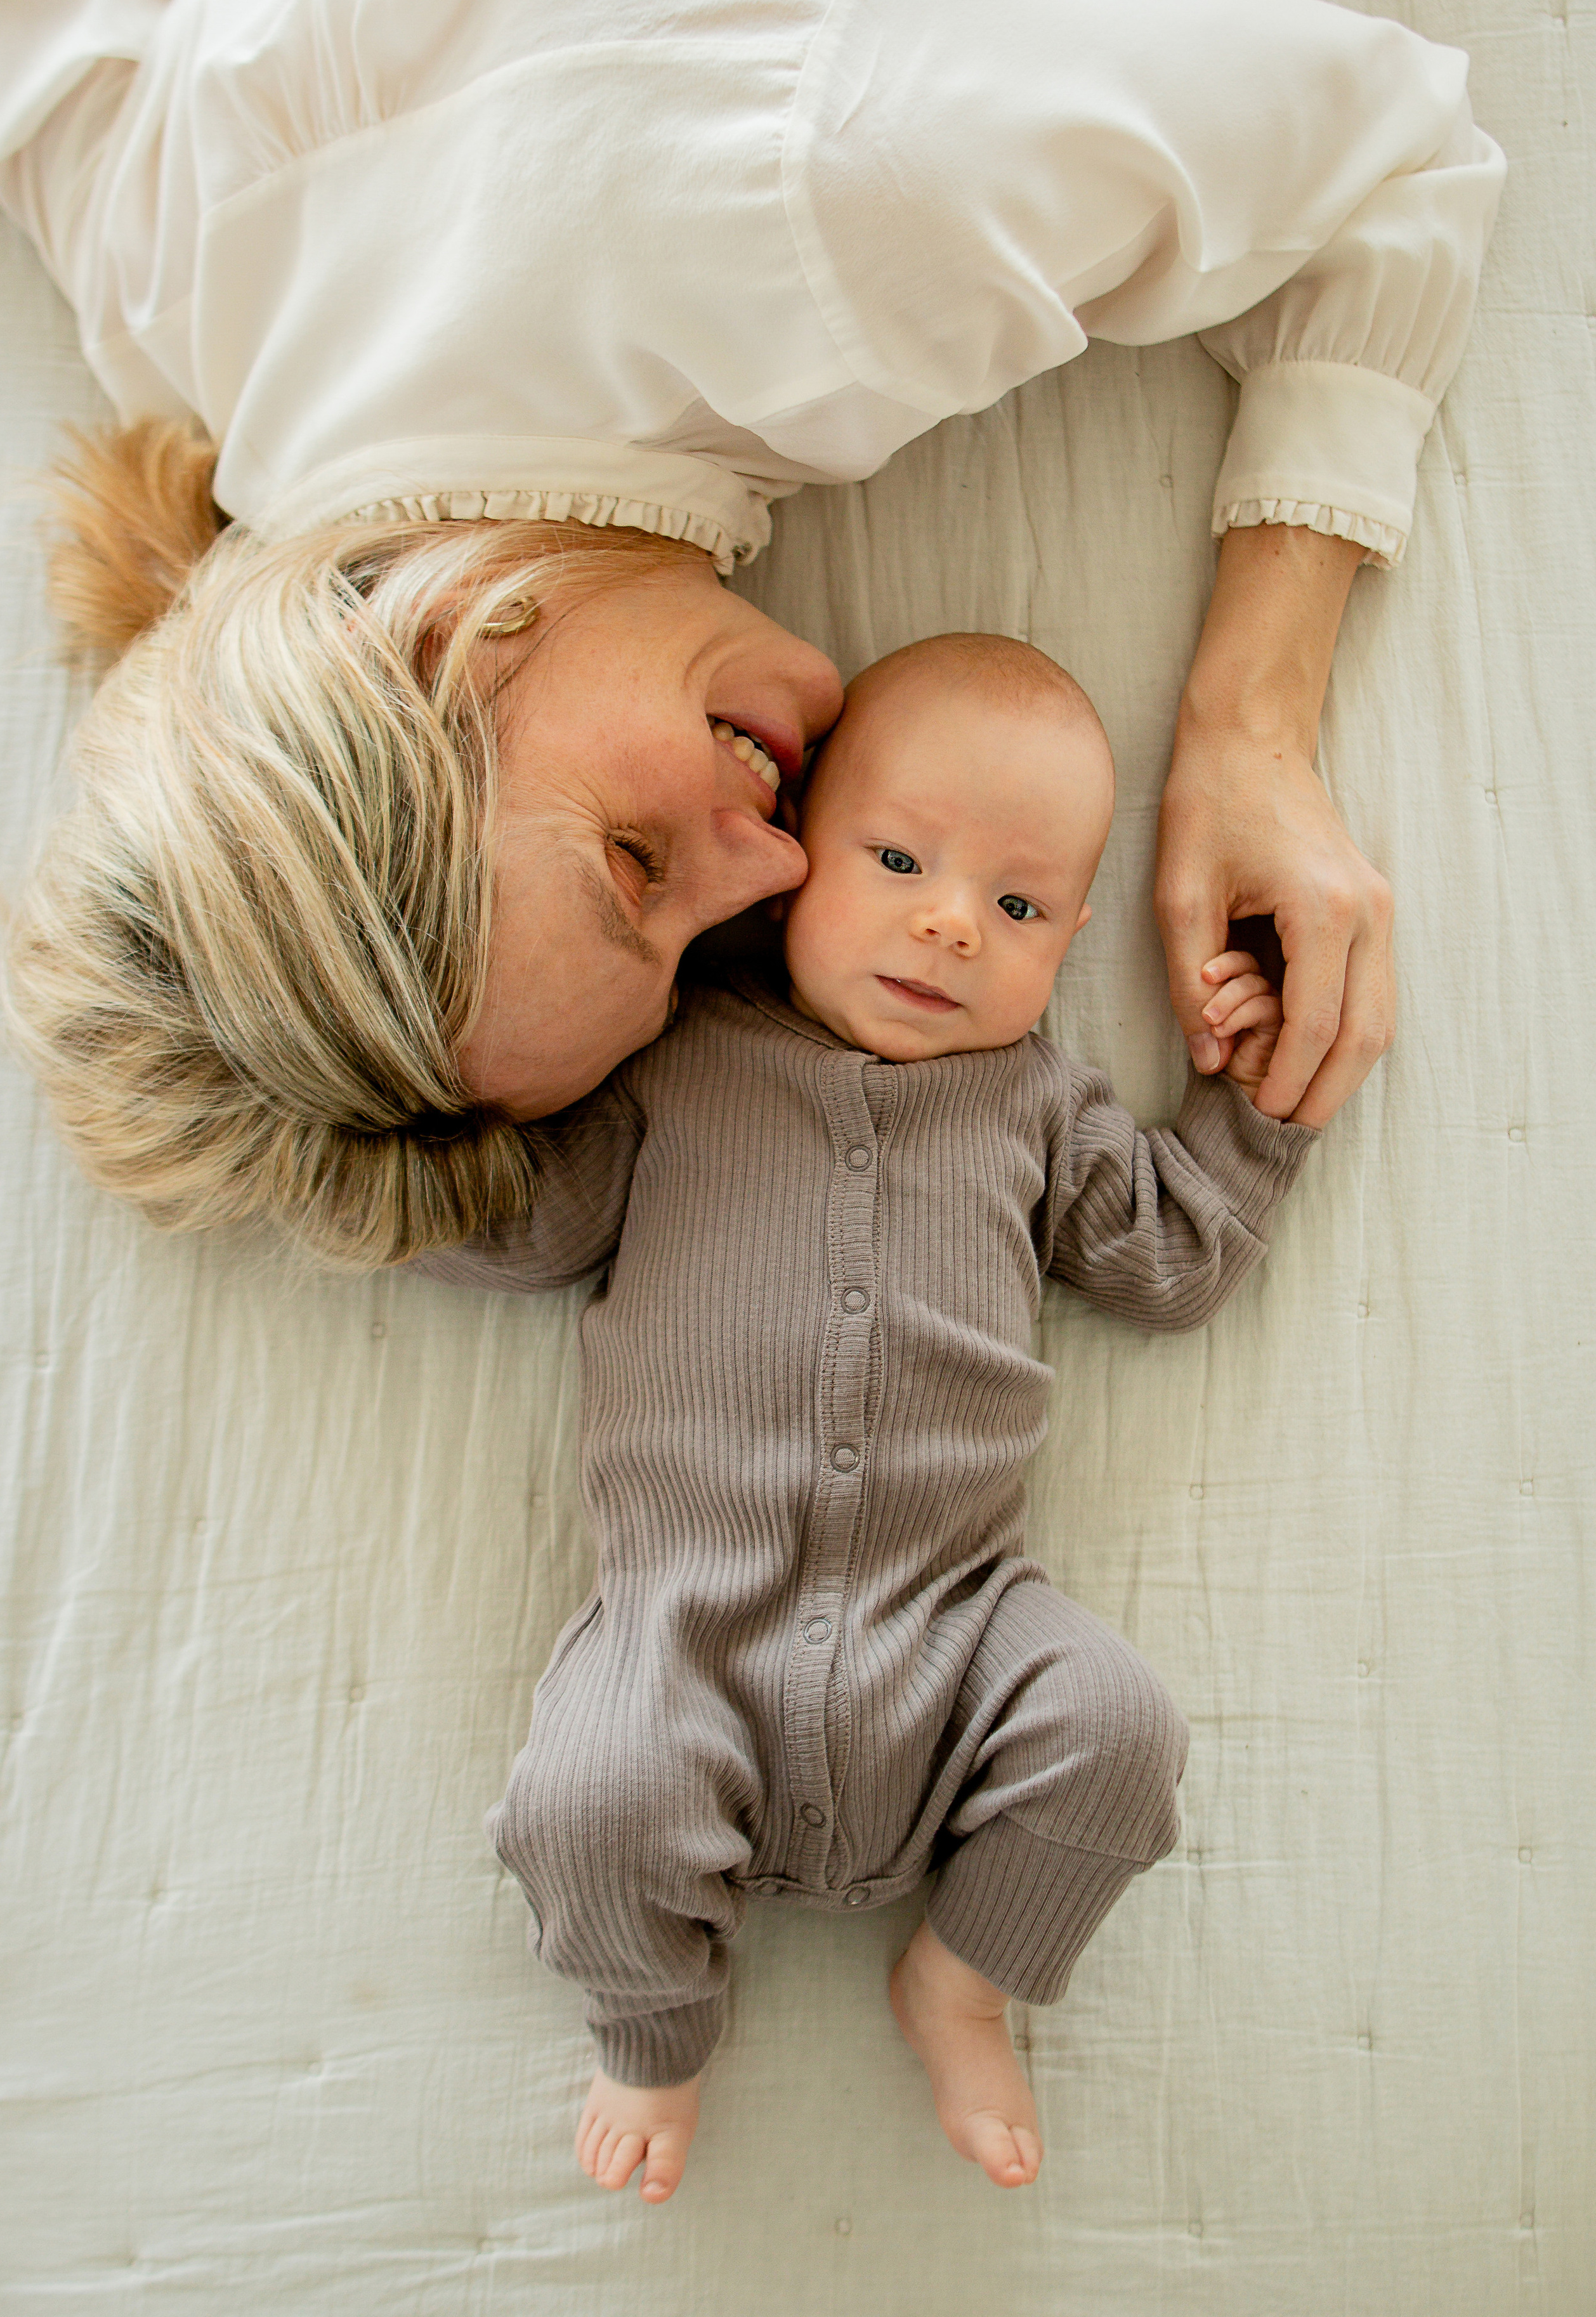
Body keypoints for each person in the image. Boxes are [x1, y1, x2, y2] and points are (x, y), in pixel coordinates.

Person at [0, 0, 1501, 1256]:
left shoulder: (842, 210)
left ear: (445, 635)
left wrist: (1249, 730)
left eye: (636, 862)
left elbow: (1395, 160)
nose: (776, 868)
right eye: (697, 944)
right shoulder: (167, 296)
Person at [421, 634, 1319, 2203]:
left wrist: (1251, 1104)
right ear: (793, 861)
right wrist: (390, 1142)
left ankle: (960, 1980)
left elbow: (1170, 1263)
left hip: (957, 1624)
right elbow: (523, 1228)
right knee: (584, 1804)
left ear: (1070, 940)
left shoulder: (1037, 1104)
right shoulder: (678, 1058)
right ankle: (655, 2025)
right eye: (896, 857)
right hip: (682, 1632)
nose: (946, 921)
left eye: (1017, 907)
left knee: (1120, 1733)